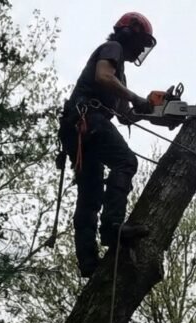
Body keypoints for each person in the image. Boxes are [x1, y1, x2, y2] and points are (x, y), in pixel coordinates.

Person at [58, 12, 157, 278]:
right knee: (126, 162)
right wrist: (136, 97)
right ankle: (113, 227)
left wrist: (158, 113)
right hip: (87, 119)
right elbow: (103, 77)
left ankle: (88, 261)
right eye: (141, 42)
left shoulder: (120, 76)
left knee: (90, 194)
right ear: (130, 32)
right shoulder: (112, 48)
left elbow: (127, 114)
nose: (141, 49)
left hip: (79, 129)